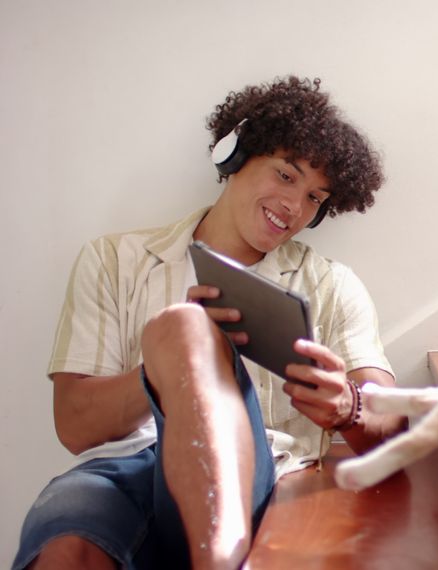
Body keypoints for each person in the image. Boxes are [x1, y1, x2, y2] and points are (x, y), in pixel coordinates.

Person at [14, 76, 406, 569]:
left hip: (253, 475)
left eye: (315, 198)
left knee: (182, 331)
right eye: (286, 176)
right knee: (67, 552)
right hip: (123, 473)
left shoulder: (329, 285)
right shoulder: (114, 260)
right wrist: (173, 368)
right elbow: (74, 426)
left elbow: (394, 429)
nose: (294, 206)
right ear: (234, 157)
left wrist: (348, 407)